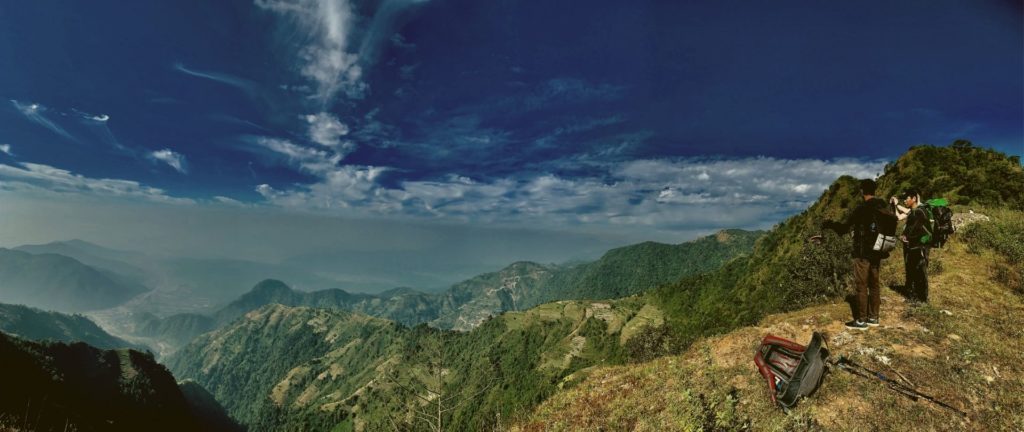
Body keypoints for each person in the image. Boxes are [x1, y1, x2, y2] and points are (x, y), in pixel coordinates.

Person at [823, 179, 890, 330]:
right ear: (874, 191)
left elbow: (843, 229)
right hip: (878, 251)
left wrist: (829, 224)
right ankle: (874, 317)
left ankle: (860, 320)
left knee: (861, 285)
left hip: (862, 253)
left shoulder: (861, 209)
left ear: (862, 191)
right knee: (874, 285)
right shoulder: (882, 206)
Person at [900, 189, 930, 303]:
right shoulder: (913, 212)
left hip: (920, 246)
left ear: (914, 199)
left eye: (907, 198)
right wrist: (904, 236)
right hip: (913, 246)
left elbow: (917, 229)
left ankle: (923, 299)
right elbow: (910, 228)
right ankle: (914, 296)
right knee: (913, 270)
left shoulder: (919, 211)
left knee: (920, 271)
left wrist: (907, 237)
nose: (904, 201)